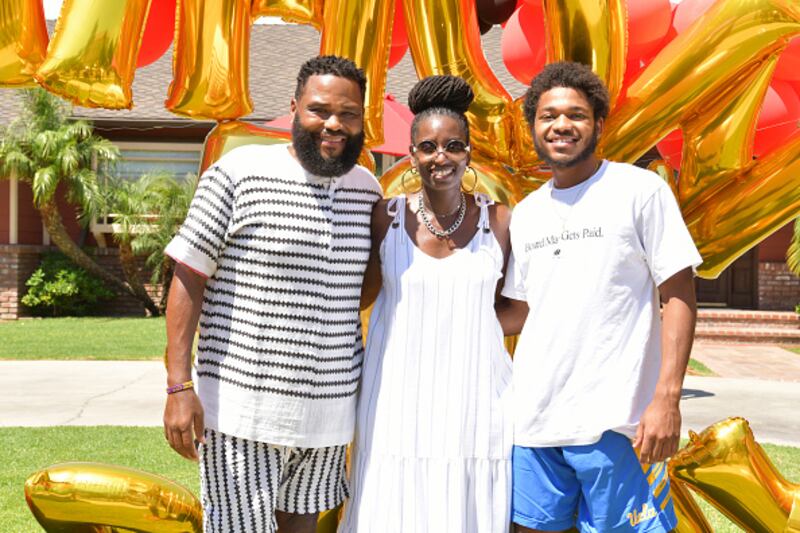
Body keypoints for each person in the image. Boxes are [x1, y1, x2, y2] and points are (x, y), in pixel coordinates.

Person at [161, 55, 382, 533]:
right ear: (294, 107)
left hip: (330, 414)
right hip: (242, 412)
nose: (333, 124)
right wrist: (179, 386)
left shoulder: (368, 191)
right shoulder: (238, 172)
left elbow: (355, 291)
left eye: (348, 114)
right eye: (319, 110)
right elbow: (188, 276)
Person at [499, 61, 701, 533]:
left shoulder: (639, 191)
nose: (561, 125)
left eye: (576, 115)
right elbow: (521, 312)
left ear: (599, 126)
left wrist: (667, 398)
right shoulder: (527, 214)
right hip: (533, 422)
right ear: (533, 127)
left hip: (619, 423)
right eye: (548, 116)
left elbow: (678, 294)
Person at [339, 75, 514, 533]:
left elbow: (516, 307)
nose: (441, 157)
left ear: (469, 153)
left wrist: (467, 329)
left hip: (475, 394)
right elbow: (360, 294)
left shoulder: (500, 221)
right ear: (412, 154)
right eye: (428, 147)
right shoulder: (385, 216)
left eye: (454, 146)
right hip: (396, 394)